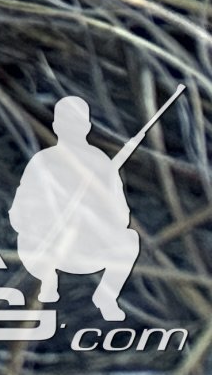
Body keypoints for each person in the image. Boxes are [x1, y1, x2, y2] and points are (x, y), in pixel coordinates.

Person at [13, 95, 141, 319]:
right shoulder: (42, 161)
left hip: (88, 247)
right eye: (65, 122)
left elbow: (122, 216)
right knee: (26, 240)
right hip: (46, 245)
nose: (72, 128)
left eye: (77, 122)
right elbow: (18, 212)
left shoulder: (101, 163)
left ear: (87, 126)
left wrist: (100, 204)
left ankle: (106, 297)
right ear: (55, 126)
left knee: (129, 240)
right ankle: (46, 285)